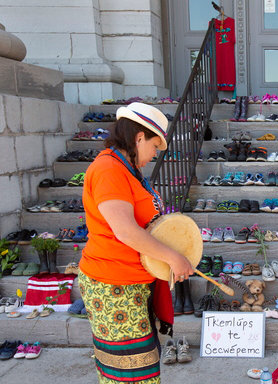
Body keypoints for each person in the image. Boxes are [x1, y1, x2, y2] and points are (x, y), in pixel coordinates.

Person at [78, 102, 194, 383]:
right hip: (113, 284)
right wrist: (173, 257)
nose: (155, 154)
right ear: (139, 138)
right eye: (155, 146)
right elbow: (126, 231)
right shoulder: (109, 170)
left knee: (138, 369)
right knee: (132, 374)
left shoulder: (126, 169)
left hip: (130, 283)